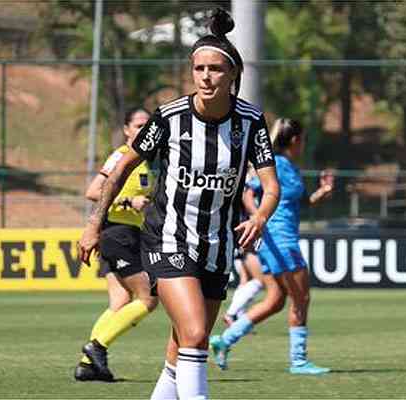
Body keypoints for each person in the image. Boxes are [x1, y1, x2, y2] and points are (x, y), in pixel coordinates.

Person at [77, 8, 280, 399]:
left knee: (182, 346)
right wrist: (92, 224)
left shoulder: (250, 122)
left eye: (215, 69)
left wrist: (262, 217)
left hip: (218, 248)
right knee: (196, 334)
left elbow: (270, 186)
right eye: (198, 68)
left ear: (233, 74)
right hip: (167, 240)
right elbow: (120, 168)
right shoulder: (169, 118)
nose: (206, 76)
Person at [210, 118, 335, 375]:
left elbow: (298, 203)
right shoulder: (275, 164)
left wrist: (321, 193)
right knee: (302, 297)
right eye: (304, 139)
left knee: (276, 300)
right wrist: (258, 219)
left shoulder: (290, 167)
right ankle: (298, 361)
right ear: (295, 140)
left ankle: (225, 341)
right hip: (279, 240)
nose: (304, 145)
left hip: (276, 240)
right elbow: (247, 193)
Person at [74, 107, 158, 382]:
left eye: (147, 126)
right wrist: (127, 201)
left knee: (120, 301)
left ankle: (88, 365)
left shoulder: (144, 161)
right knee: (148, 298)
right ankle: (96, 346)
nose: (143, 130)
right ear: (126, 130)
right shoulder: (121, 156)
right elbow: (93, 191)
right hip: (117, 234)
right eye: (138, 125)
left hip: (124, 234)